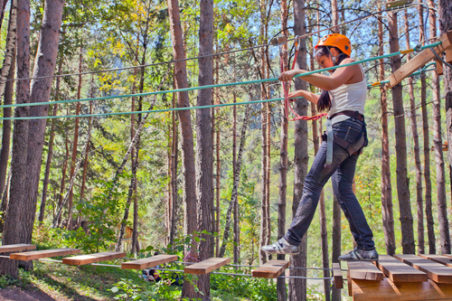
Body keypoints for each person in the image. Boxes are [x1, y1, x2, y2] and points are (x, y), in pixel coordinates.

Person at [262, 33, 378, 261]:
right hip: (352, 133)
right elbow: (329, 99)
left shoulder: (348, 63)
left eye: (324, 61)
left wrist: (299, 73)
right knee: (343, 191)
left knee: (312, 183)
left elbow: (332, 83)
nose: (324, 67)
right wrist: (305, 93)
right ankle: (366, 247)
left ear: (334, 51)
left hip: (344, 130)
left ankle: (291, 240)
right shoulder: (340, 75)